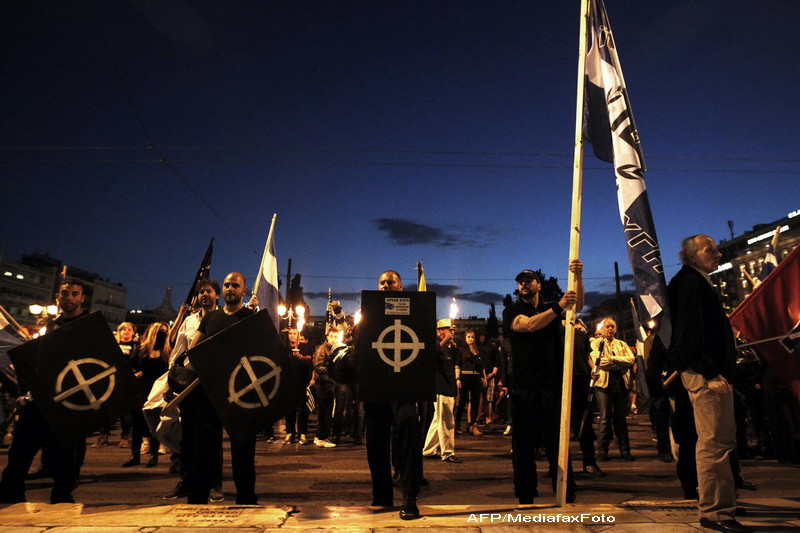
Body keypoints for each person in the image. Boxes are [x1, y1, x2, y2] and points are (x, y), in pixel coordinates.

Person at [668, 235, 751, 533]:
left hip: (711, 373)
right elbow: (688, 334)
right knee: (714, 443)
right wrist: (710, 373)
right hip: (707, 375)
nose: (718, 254)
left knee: (721, 442)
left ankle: (722, 504)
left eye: (716, 249)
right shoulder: (690, 283)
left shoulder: (694, 282)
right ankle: (715, 512)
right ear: (691, 256)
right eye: (710, 250)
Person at [0, 279, 88, 504]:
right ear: (58, 297)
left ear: (82, 298)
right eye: (65, 293)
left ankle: (62, 493)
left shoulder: (89, 325)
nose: (69, 297)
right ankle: (11, 490)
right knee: (21, 445)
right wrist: (25, 390)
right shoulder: (52, 325)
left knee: (65, 451)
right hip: (42, 395)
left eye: (74, 293)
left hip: (72, 397)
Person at [502, 261, 583, 505]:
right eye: (520, 282)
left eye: (529, 280)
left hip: (551, 385)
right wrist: (559, 306)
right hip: (524, 387)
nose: (524, 284)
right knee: (524, 445)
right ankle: (526, 494)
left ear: (538, 285)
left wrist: (578, 276)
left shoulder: (550, 307)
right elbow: (528, 325)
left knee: (557, 441)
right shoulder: (512, 311)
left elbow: (577, 305)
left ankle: (565, 489)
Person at [184, 272, 257, 505]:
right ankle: (199, 496)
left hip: (241, 393)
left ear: (244, 290)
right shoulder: (211, 318)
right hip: (211, 392)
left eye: (235, 285)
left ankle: (246, 497)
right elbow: (194, 351)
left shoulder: (251, 318)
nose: (229, 289)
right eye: (226, 285)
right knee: (205, 447)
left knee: (243, 448)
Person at [363, 270, 425, 520]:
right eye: (382, 282)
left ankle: (410, 497)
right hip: (376, 388)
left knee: (409, 432)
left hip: (404, 388)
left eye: (390, 282)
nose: (385, 285)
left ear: (400, 287)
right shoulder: (367, 316)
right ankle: (381, 496)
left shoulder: (415, 314)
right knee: (375, 445)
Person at [163, 279, 224, 501]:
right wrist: (170, 381)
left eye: (209, 291)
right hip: (188, 384)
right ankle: (186, 481)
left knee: (212, 437)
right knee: (188, 436)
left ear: (217, 295)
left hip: (212, 385)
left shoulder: (222, 319)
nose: (204, 295)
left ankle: (214, 484)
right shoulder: (189, 321)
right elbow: (178, 352)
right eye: (201, 292)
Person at [123, 322, 169, 468]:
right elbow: (130, 364)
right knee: (137, 423)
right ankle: (135, 455)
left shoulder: (167, 351)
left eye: (165, 331)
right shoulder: (142, 349)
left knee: (154, 424)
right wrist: (135, 373)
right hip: (141, 388)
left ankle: (153, 456)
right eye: (160, 331)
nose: (163, 334)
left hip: (157, 390)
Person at [592, 317, 636, 462]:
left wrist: (611, 358)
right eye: (607, 326)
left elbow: (630, 360)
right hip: (603, 386)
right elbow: (599, 362)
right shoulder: (596, 343)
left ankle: (625, 451)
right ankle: (602, 451)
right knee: (605, 419)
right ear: (602, 328)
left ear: (616, 329)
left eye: (612, 326)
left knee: (621, 419)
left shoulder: (622, 344)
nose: (610, 329)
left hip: (621, 386)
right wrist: (619, 361)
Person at [422, 319, 459, 463]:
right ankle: (448, 453)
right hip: (441, 387)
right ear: (441, 331)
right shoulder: (436, 343)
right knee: (446, 421)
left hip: (449, 387)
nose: (452, 332)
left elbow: (457, 360)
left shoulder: (448, 346)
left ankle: (428, 450)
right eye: (449, 330)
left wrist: (453, 345)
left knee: (438, 420)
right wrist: (444, 342)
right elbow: (430, 355)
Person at [284, 327, 313, 445]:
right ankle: (289, 432)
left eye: (294, 333)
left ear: (298, 334)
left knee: (302, 410)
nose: (292, 335)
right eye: (290, 333)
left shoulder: (305, 347)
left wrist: (300, 357)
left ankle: (303, 433)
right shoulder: (285, 347)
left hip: (302, 382)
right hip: (289, 383)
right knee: (289, 409)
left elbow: (310, 361)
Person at [454, 331, 485, 437]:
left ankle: (473, 426)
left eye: (472, 337)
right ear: (465, 338)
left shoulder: (477, 350)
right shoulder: (461, 350)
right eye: (468, 337)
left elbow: (481, 365)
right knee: (462, 401)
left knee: (476, 401)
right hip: (465, 377)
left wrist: (483, 376)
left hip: (476, 377)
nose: (471, 339)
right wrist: (457, 378)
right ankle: (457, 424)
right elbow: (457, 364)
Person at [312, 329, 338, 448]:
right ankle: (322, 438)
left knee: (325, 412)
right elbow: (317, 366)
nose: (333, 339)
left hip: (327, 383)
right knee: (325, 412)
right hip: (323, 384)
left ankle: (319, 436)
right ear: (327, 336)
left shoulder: (331, 349)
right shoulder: (322, 349)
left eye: (335, 337)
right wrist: (331, 371)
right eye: (331, 336)